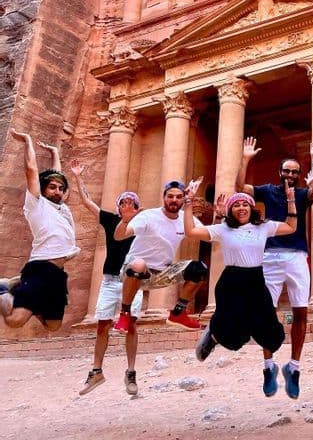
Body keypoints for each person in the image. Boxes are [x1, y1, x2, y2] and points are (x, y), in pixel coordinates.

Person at [185, 181, 298, 397]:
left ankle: (268, 366)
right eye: (236, 206)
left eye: (245, 205)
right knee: (234, 336)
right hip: (232, 281)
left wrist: (291, 200)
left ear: (251, 207)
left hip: (255, 279)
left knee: (271, 331)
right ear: (231, 210)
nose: (241, 208)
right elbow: (190, 231)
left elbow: (291, 226)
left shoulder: (263, 227)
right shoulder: (223, 229)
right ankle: (215, 333)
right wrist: (189, 201)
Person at [236, 137, 313, 399]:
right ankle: (268, 366)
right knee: (267, 312)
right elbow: (240, 188)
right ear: (279, 173)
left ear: (299, 176)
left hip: (297, 256)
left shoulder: (301, 194)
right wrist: (245, 159)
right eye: (286, 171)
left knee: (300, 312)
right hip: (271, 256)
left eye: (295, 172)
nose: (290, 175)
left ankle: (294, 368)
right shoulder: (267, 190)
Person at [113, 179, 208, 395]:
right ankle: (125, 313)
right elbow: (120, 235)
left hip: (162, 273)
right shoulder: (149, 216)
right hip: (134, 271)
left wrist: (220, 217)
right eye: (170, 196)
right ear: (164, 197)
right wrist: (125, 220)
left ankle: (178, 312)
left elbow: (210, 235)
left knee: (198, 268)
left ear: (183, 199)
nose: (174, 200)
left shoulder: (186, 220)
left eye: (178, 197)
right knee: (139, 264)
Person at [70, 160, 144, 396]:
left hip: (131, 281)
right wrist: (79, 177)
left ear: (137, 207)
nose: (127, 203)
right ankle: (96, 371)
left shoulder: (142, 224)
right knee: (102, 324)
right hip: (111, 280)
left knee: (131, 324)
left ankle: (131, 372)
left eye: (131, 202)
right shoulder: (111, 219)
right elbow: (86, 201)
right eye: (123, 201)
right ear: (118, 206)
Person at [0, 130, 79, 331]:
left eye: (61, 189)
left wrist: (55, 155)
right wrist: (28, 142)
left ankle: (22, 290)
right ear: (42, 189)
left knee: (53, 325)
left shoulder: (60, 208)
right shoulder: (36, 205)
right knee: (14, 320)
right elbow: (31, 170)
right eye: (52, 188)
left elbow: (57, 175)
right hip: (41, 269)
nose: (58, 192)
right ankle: (2, 290)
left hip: (57, 273)